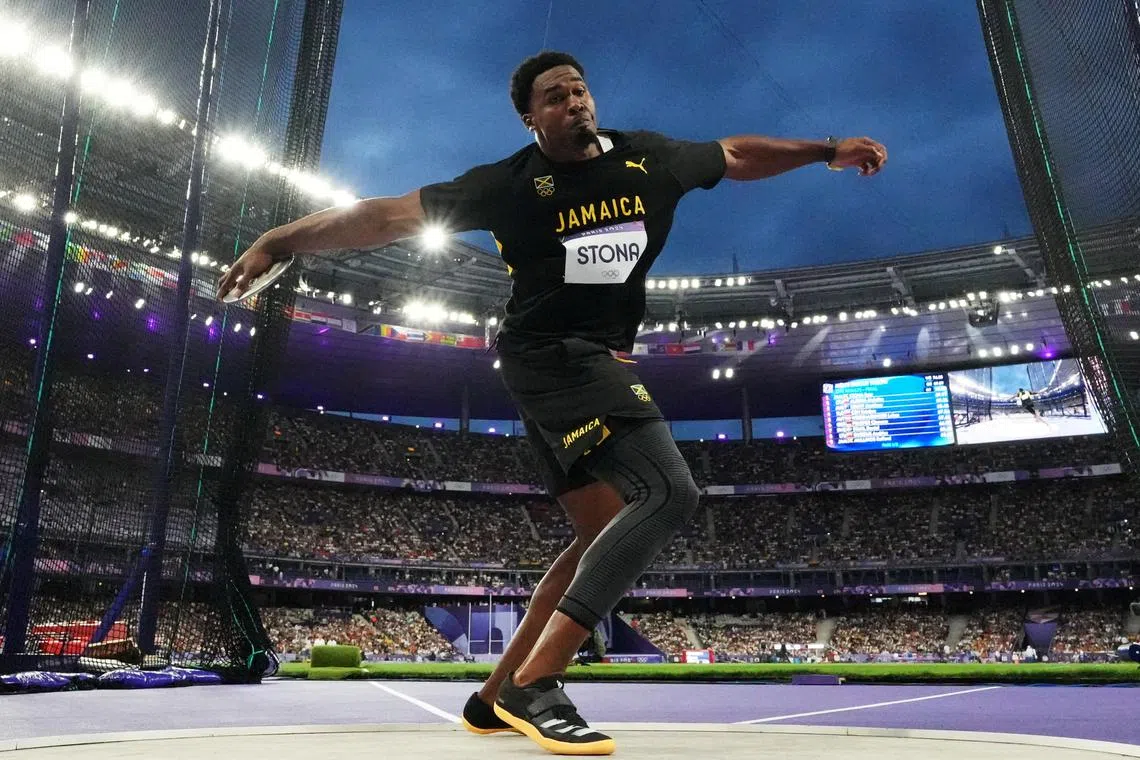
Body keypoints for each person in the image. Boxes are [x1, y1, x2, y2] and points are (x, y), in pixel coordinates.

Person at [216, 51, 887, 755]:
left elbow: (735, 153)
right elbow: (385, 216)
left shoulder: (650, 160)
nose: (575, 101)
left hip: (577, 362)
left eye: (580, 89)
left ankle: (495, 696)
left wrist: (823, 151)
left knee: (599, 534)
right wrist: (279, 238)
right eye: (555, 96)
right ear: (529, 117)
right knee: (668, 492)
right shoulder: (508, 185)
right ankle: (543, 682)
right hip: (557, 356)